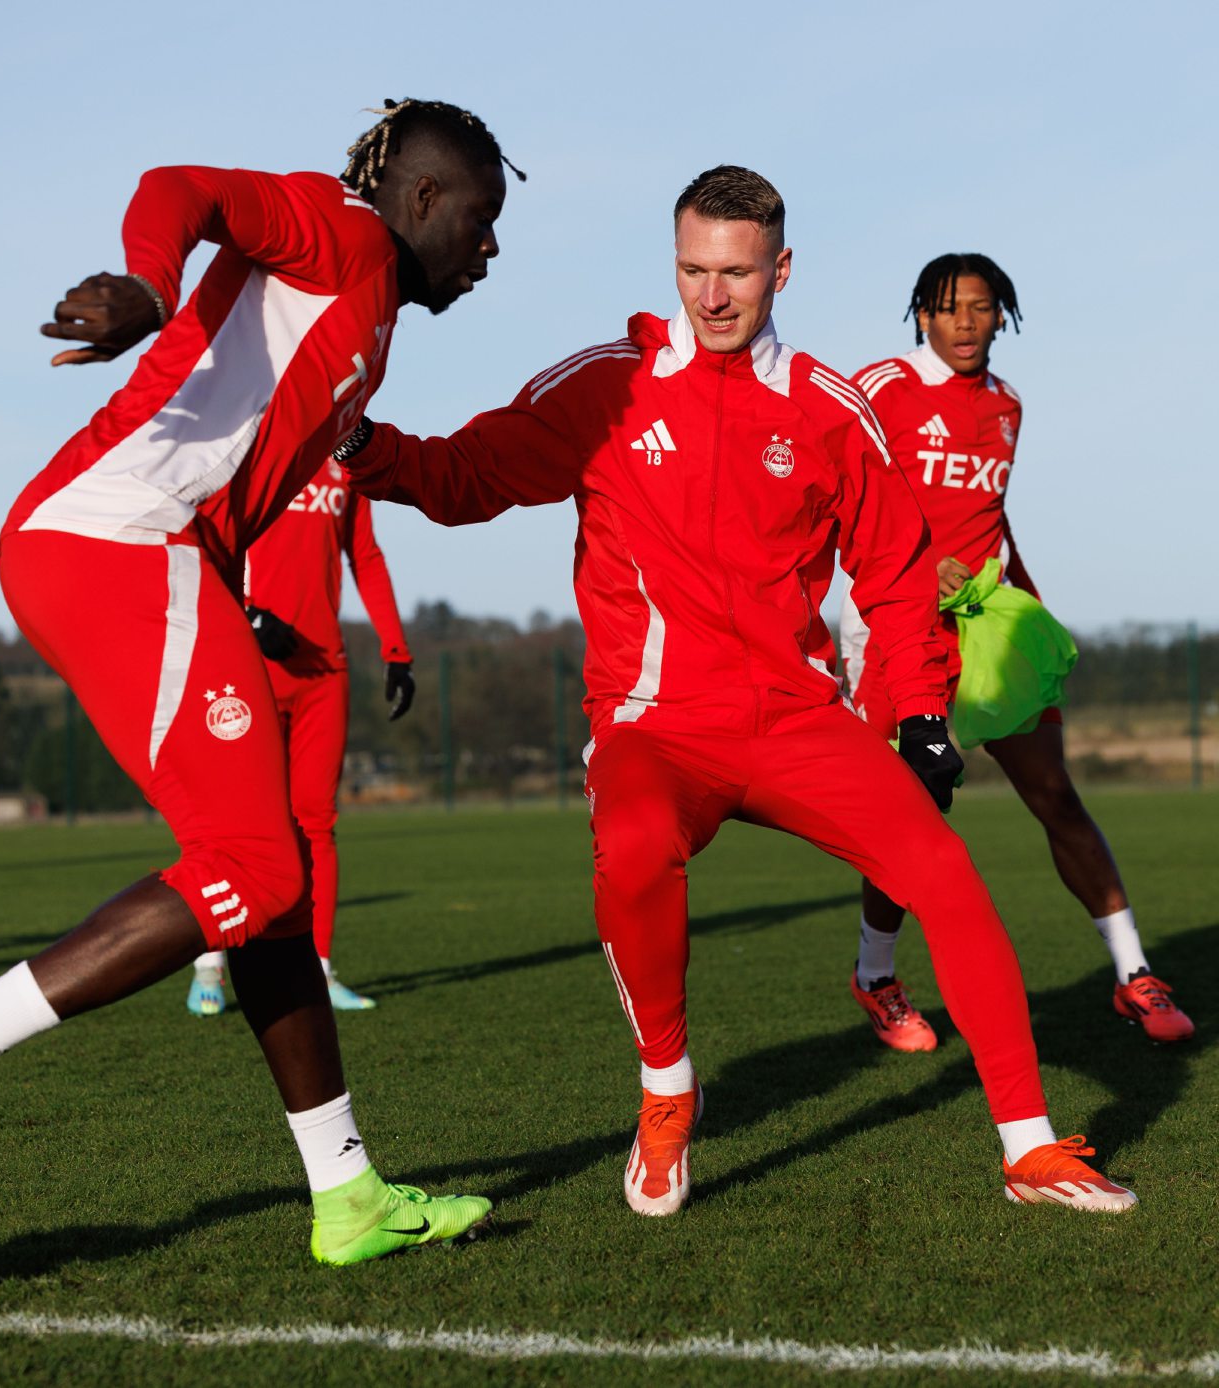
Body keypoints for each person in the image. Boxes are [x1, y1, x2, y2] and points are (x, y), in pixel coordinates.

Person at [337, 166, 1137, 1216]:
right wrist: (360, 446)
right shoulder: (603, 385)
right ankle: (668, 1090)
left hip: (800, 719)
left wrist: (925, 710)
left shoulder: (827, 407)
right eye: (693, 270)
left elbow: (895, 571)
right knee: (630, 850)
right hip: (655, 725)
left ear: (780, 270)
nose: (712, 296)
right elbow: (465, 478)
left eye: (737, 274)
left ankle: (1028, 1146)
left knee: (943, 868)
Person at [0, 99, 522, 1266]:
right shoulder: (340, 228)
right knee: (255, 870)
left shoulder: (369, 309)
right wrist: (150, 283)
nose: (490, 246)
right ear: (420, 200)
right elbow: (183, 186)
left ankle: (347, 1191)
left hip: (158, 558)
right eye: (481, 217)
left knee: (270, 885)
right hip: (114, 540)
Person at [841, 256, 1193, 1049]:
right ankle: (876, 977)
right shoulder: (879, 388)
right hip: (898, 627)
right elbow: (839, 499)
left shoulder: (1007, 406)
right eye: (948, 307)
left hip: (988, 625)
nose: (966, 321)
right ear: (920, 317)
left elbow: (990, 520)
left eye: (982, 306)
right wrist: (916, 564)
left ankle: (1133, 972)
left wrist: (1027, 604)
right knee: (912, 809)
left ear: (1004, 315)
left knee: (1056, 793)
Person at [187, 457, 416, 1017]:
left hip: (322, 674)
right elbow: (204, 545)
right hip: (244, 667)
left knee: (316, 820)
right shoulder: (249, 451)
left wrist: (395, 648)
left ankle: (316, 969)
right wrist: (248, 614)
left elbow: (364, 554)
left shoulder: (347, 457)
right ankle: (210, 965)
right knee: (232, 820)